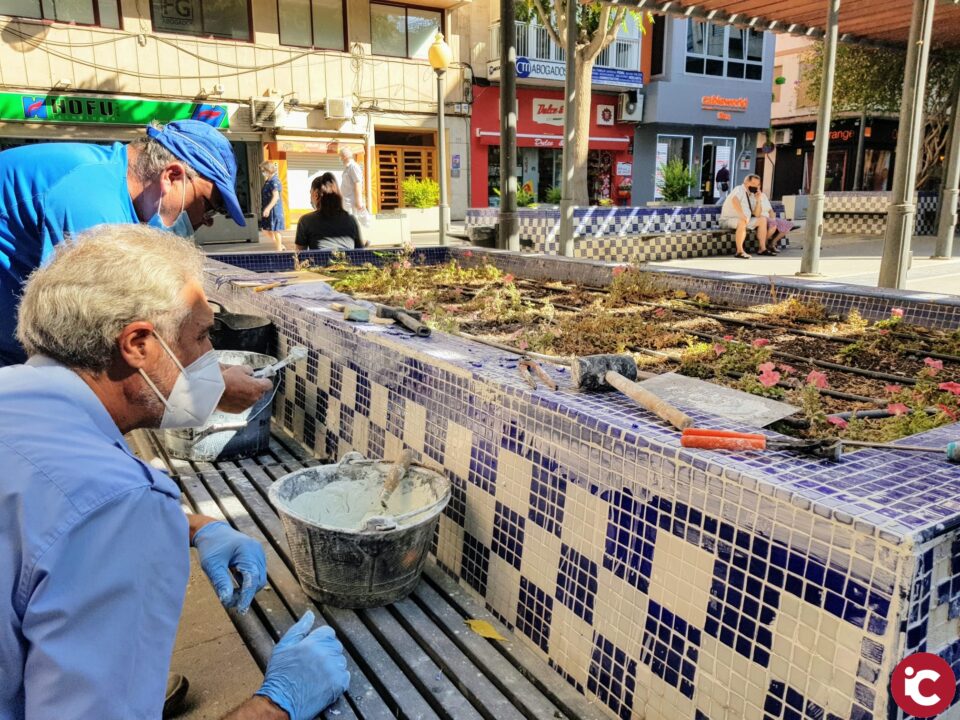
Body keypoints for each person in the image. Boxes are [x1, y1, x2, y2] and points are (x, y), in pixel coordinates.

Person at [0, 224, 351, 720]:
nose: (212, 358)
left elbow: (44, 516)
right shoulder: (117, 506)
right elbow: (90, 508)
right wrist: (277, 704)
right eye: (204, 335)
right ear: (138, 344)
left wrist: (196, 525)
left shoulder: (12, 393)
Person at [0, 119, 271, 412]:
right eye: (211, 205)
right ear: (172, 176)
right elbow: (93, 338)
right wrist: (208, 391)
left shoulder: (117, 190)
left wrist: (204, 368)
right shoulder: (92, 200)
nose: (206, 221)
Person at [295, 173, 365, 251]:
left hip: (319, 263)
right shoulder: (351, 220)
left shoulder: (306, 221)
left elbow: (299, 254)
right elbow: (360, 252)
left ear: (315, 194)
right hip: (348, 262)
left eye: (310, 193)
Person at [719, 173, 777, 259]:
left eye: (757, 185)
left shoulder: (752, 195)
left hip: (745, 220)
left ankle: (762, 248)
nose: (756, 186)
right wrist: (741, 215)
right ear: (746, 182)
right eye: (753, 184)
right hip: (728, 220)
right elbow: (734, 200)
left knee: (762, 220)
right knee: (742, 221)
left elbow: (757, 214)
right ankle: (739, 251)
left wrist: (758, 200)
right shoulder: (739, 189)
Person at [260, 161, 286, 251]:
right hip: (268, 209)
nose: (262, 172)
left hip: (274, 209)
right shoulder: (268, 180)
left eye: (263, 170)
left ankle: (279, 250)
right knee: (265, 230)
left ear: (269, 169)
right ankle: (280, 245)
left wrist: (267, 209)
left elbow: (276, 197)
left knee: (275, 230)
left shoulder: (275, 181)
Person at [338, 147, 365, 215]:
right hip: (347, 202)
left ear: (345, 156)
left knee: (351, 223)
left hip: (351, 203)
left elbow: (358, 183)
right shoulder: (347, 168)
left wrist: (359, 202)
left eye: (341, 156)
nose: (340, 159)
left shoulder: (353, 167)